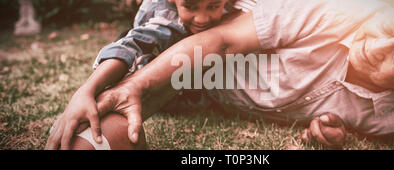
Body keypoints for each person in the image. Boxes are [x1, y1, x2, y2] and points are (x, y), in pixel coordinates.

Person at [47, 0, 394, 149]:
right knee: (118, 103)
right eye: (387, 30)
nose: (375, 48)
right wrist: (135, 85)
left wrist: (325, 134)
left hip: (205, 97)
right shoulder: (333, 10)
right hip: (195, 58)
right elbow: (218, 42)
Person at [45, 0, 260, 150]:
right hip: (157, 72)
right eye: (190, 6)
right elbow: (135, 44)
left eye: (213, 6)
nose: (202, 18)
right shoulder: (166, 17)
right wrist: (87, 89)